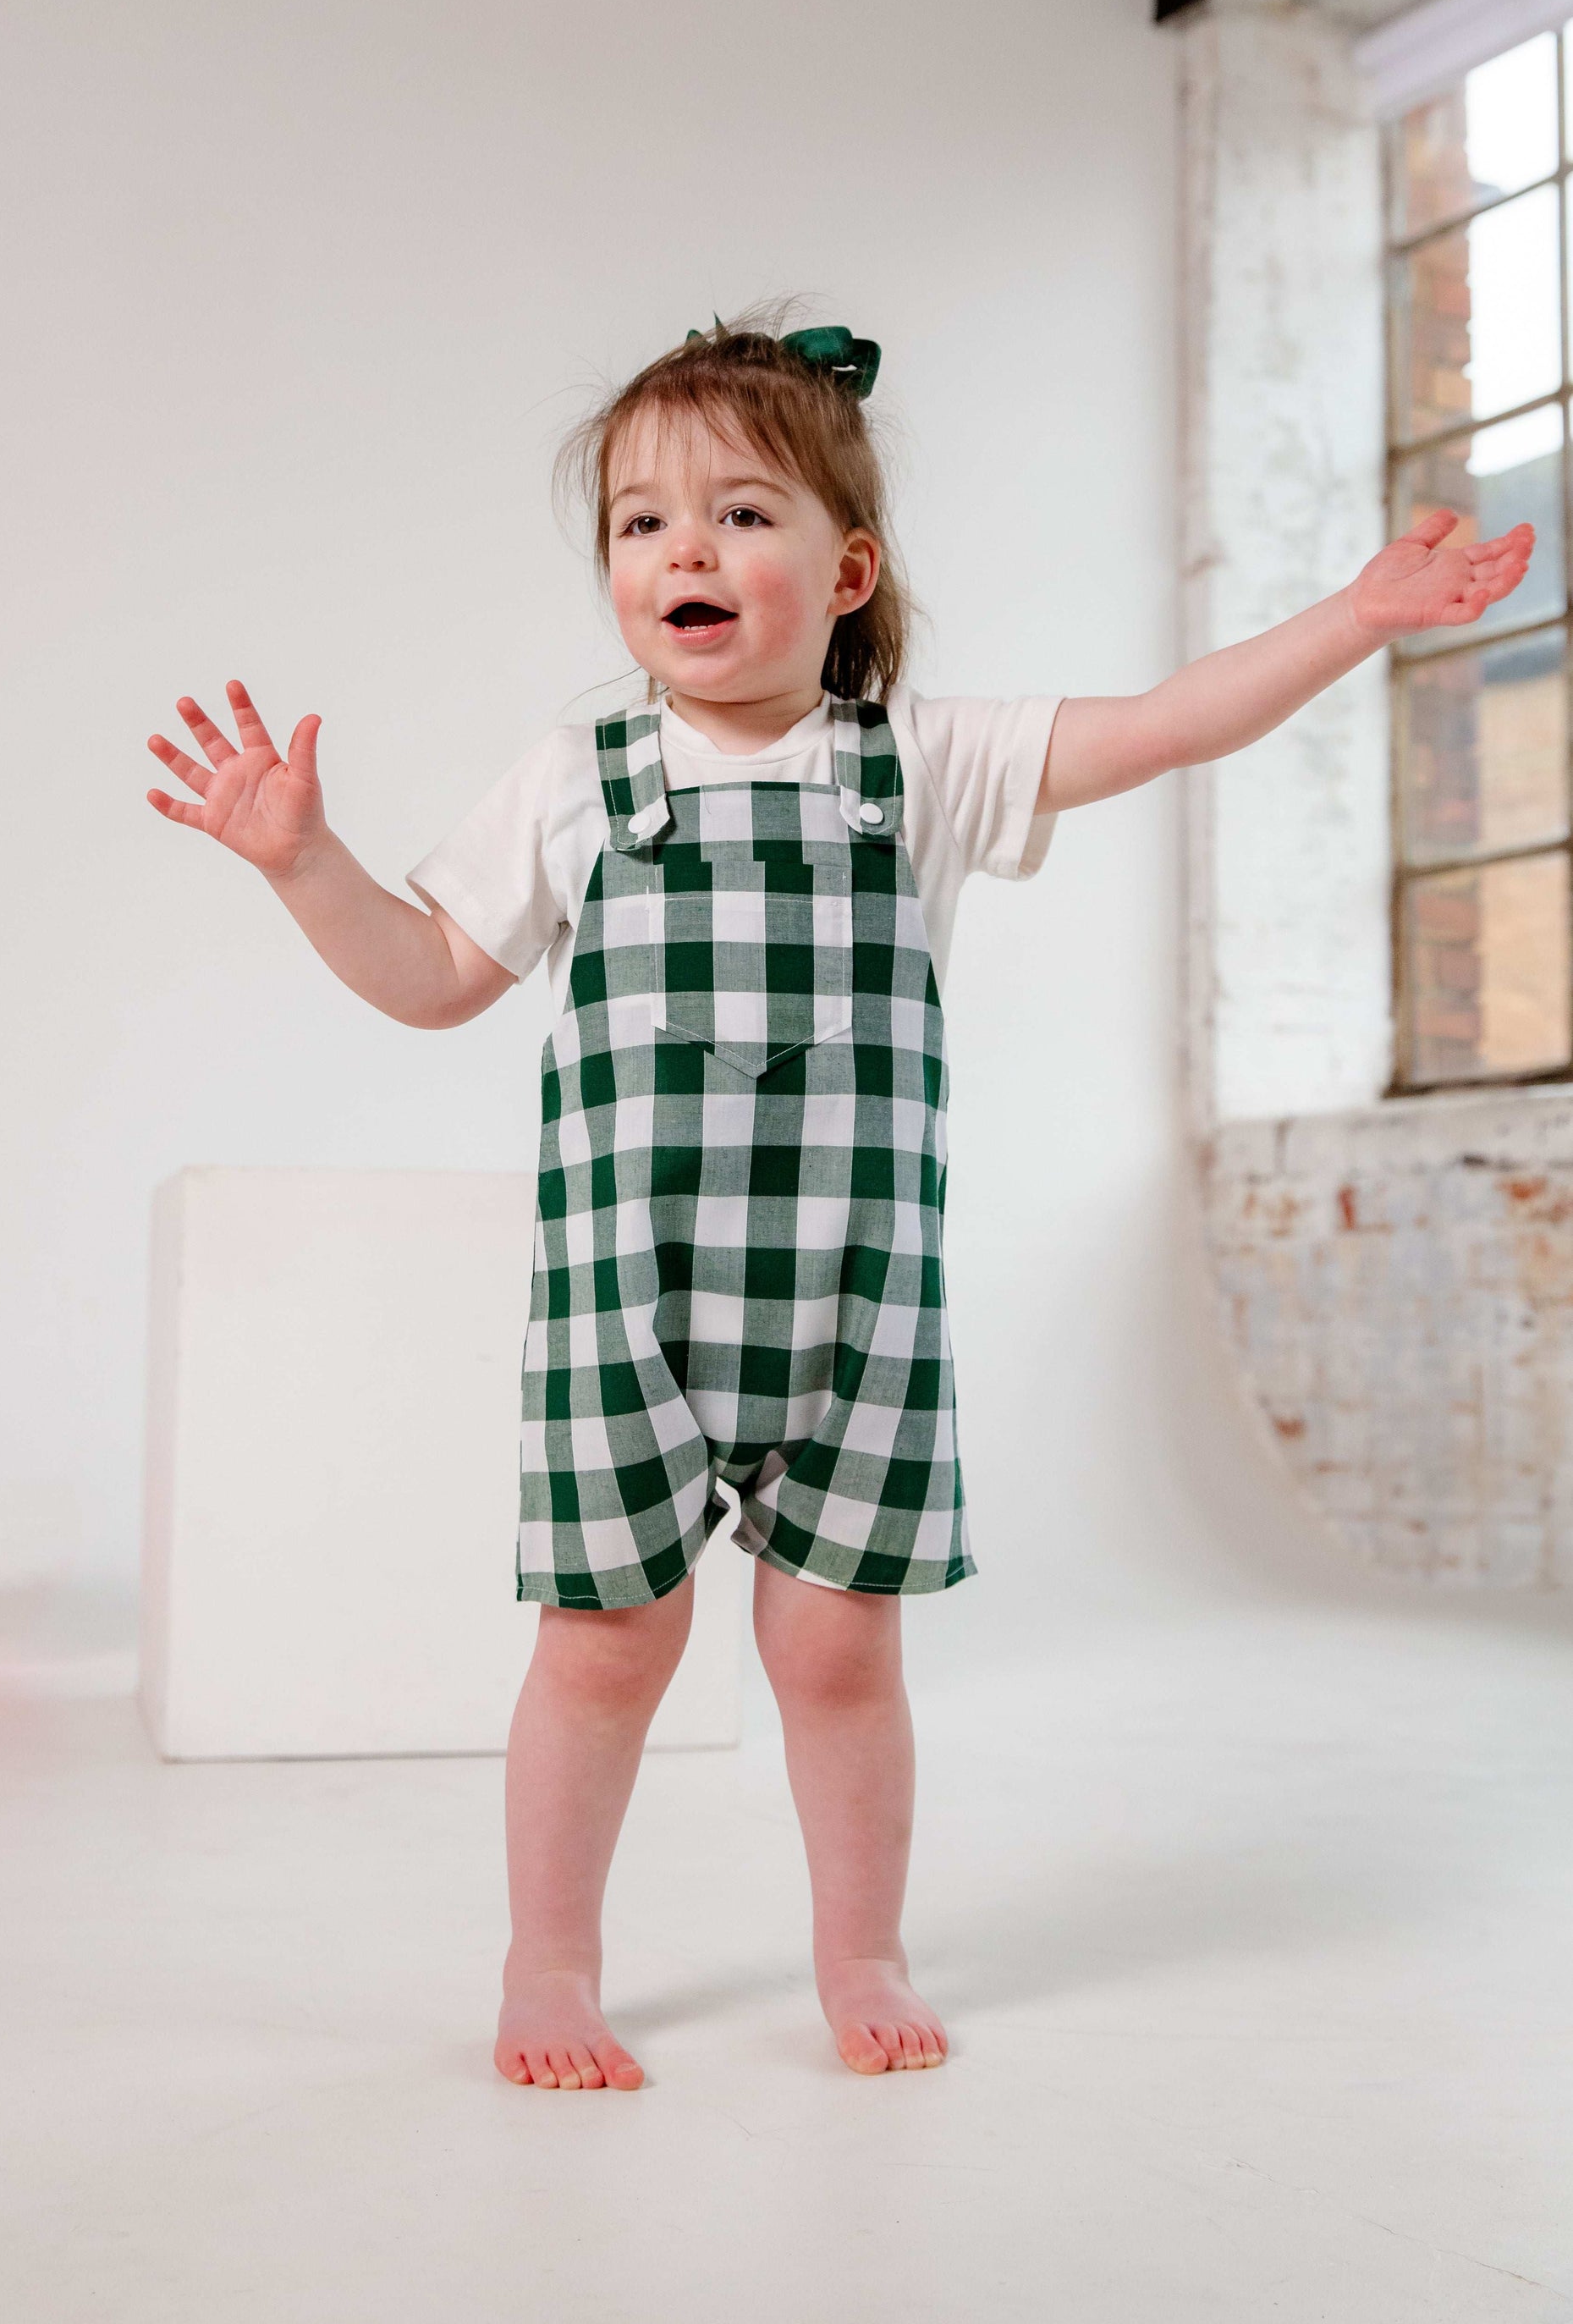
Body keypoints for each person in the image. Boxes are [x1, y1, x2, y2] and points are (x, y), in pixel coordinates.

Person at [146, 310, 1534, 2094]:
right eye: (642, 523)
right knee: (603, 1651)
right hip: (627, 1314)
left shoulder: (916, 763)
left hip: (852, 1316)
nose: (686, 551)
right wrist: (304, 863)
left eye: (740, 514)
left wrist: (1351, 619)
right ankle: (548, 1965)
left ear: (846, 570)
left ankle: (861, 1949)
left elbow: (1160, 728)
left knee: (835, 1652)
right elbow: (428, 979)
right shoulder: (578, 778)